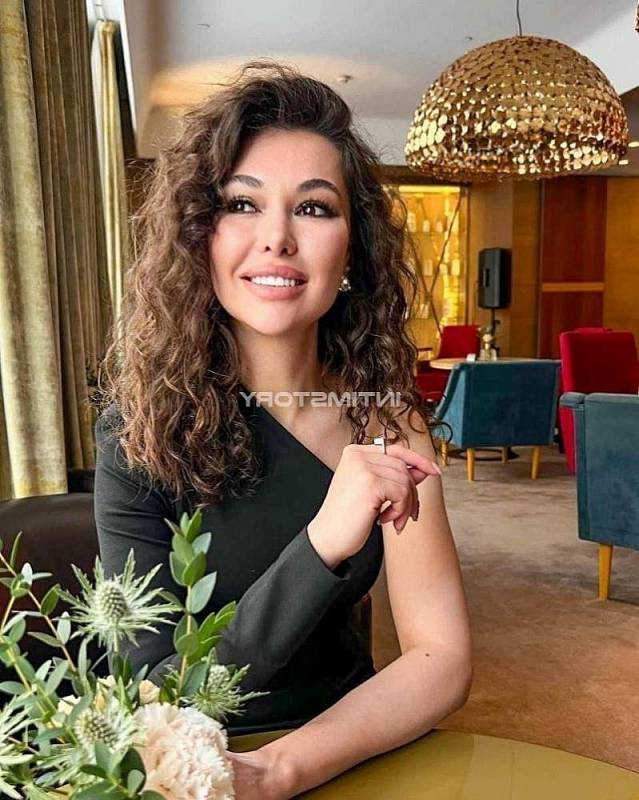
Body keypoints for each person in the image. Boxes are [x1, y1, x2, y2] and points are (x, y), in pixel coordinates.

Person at [95, 59, 472, 800]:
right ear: (200, 236)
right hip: (194, 767)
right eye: (242, 203)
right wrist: (323, 542)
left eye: (314, 208)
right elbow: (155, 692)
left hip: (351, 746)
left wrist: (283, 769)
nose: (276, 238)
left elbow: (442, 658)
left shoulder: (387, 420)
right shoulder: (136, 433)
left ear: (351, 250)